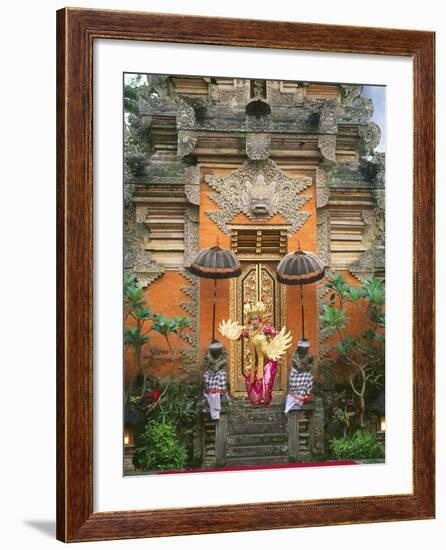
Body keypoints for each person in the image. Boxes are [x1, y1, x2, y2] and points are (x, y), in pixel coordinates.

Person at [219, 301, 292, 406]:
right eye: (252, 319)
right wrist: (231, 333)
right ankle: (256, 400)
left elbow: (278, 334)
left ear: (260, 319)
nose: (254, 322)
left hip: (269, 360)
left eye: (256, 319)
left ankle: (265, 400)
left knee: (266, 382)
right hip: (256, 363)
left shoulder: (265, 329)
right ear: (249, 320)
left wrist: (275, 342)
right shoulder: (249, 332)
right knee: (249, 381)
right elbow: (239, 336)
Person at [284, 339, 314, 414]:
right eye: (302, 349)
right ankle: (294, 399)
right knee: (294, 385)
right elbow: (297, 366)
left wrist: (308, 367)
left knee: (309, 378)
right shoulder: (294, 354)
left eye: (305, 349)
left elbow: (310, 365)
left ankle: (303, 397)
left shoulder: (309, 355)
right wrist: (302, 367)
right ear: (299, 348)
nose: (303, 351)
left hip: (305, 373)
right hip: (296, 372)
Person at [202, 340, 228, 420]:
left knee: (223, 376)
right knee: (206, 377)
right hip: (211, 372)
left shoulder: (223, 353)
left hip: (220, 371)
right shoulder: (208, 355)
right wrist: (213, 366)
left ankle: (222, 394)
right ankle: (209, 394)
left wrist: (218, 365)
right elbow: (207, 363)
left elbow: (225, 360)